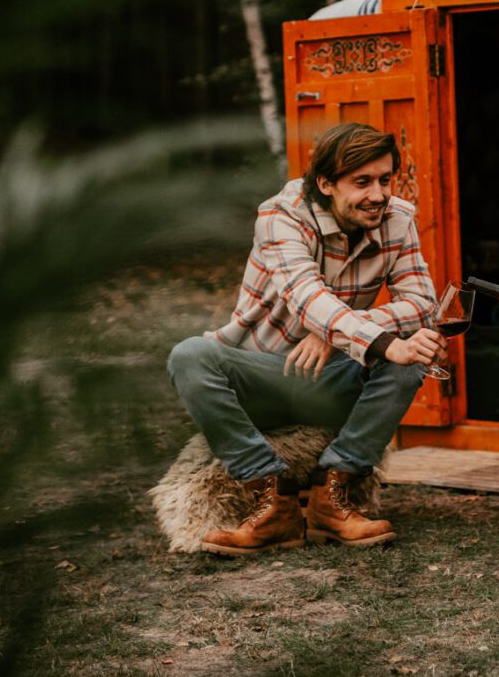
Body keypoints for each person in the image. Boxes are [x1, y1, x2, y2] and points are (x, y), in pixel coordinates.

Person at [166, 123, 445, 556]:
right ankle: (271, 501)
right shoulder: (280, 216)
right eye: (362, 182)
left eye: (385, 179)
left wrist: (336, 336)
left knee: (413, 355)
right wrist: (374, 338)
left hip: (333, 378)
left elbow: (422, 303)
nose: (378, 194)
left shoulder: (397, 219)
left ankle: (330, 500)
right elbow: (306, 296)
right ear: (326, 183)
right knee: (189, 355)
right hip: (263, 373)